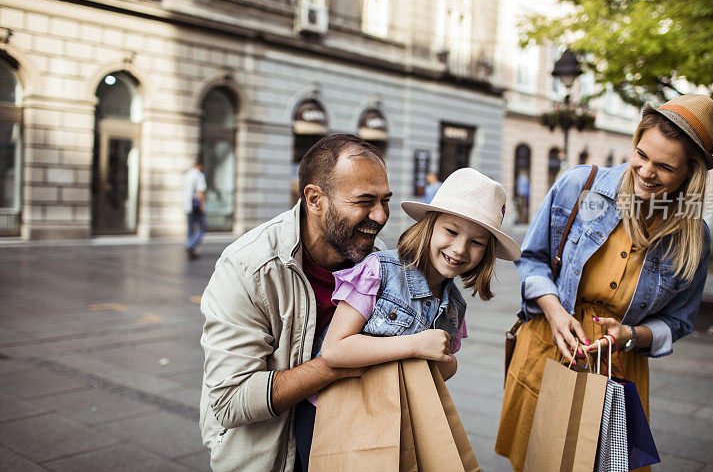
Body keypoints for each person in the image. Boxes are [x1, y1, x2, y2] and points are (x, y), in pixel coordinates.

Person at [495, 94, 713, 471]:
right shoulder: (579, 187)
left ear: (690, 174)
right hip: (549, 348)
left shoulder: (693, 238)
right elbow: (533, 258)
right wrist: (553, 312)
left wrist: (631, 335)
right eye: (642, 154)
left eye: (664, 166)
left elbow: (679, 321)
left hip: (618, 368)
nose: (646, 171)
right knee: (538, 460)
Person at [199, 134, 393, 472]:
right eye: (364, 201)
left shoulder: (377, 263)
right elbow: (231, 401)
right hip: (271, 456)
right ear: (315, 199)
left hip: (352, 447)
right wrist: (338, 361)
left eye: (385, 200)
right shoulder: (249, 266)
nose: (379, 215)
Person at [321, 168, 521, 384]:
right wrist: (415, 345)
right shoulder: (379, 271)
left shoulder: (455, 308)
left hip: (395, 412)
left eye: (477, 242)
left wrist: (449, 362)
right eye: (452, 232)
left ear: (486, 253)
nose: (460, 249)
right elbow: (334, 350)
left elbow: (436, 374)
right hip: (348, 409)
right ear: (429, 226)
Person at [183, 158, 207, 259]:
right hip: (196, 206)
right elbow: (200, 191)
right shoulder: (199, 175)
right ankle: (190, 245)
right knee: (203, 227)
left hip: (187, 205)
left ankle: (191, 250)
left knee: (190, 229)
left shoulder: (187, 175)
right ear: (200, 165)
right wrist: (202, 205)